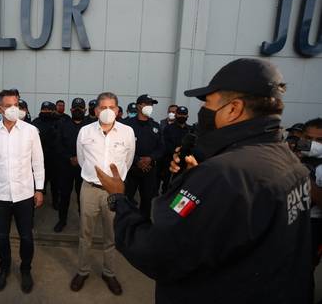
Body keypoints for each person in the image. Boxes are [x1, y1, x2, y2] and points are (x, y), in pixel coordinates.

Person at [95, 58, 312, 303]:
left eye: (209, 102)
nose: (204, 111)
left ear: (233, 109)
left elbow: (157, 252)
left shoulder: (224, 175)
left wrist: (119, 199)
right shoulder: (292, 164)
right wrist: (192, 178)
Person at [0, 89, 45, 293]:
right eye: (8, 106)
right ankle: (4, 268)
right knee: (1, 236)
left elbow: (38, 162)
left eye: (15, 104)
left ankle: (26, 269)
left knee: (26, 236)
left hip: (25, 193)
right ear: (0, 108)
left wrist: (39, 189)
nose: (13, 109)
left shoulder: (30, 131)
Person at [70, 92, 135, 296]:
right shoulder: (85, 132)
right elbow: (82, 159)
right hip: (89, 189)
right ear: (96, 110)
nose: (107, 112)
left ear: (117, 110)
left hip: (114, 191)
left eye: (111, 108)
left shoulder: (127, 132)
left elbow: (128, 161)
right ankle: (82, 271)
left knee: (111, 235)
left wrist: (115, 183)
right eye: (103, 108)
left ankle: (109, 272)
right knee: (85, 233)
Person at [124, 94, 164, 218]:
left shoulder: (155, 126)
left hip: (149, 170)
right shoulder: (127, 125)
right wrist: (137, 160)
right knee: (126, 199)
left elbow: (161, 148)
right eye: (147, 104)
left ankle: (143, 224)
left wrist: (150, 158)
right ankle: (125, 222)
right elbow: (122, 146)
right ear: (139, 106)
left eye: (151, 104)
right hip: (131, 169)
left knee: (147, 199)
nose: (150, 107)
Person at [54, 97, 88, 232]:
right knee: (64, 196)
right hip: (66, 166)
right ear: (71, 110)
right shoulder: (63, 125)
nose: (78, 110)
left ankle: (84, 223)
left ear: (85, 110)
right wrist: (70, 158)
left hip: (84, 167)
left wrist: (80, 158)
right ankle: (62, 221)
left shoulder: (90, 127)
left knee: (83, 197)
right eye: (75, 108)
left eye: (81, 108)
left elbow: (94, 147)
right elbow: (58, 145)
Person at [299, 119, 322, 271]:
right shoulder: (290, 157)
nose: (313, 144)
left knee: (304, 271)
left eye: (319, 140)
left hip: (313, 226)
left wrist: (299, 172)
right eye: (308, 138)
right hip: (287, 221)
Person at [32, 101, 61, 210]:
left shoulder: (59, 122)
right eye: (44, 110)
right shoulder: (36, 122)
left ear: (53, 111)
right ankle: (36, 198)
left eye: (49, 110)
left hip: (54, 159)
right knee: (38, 182)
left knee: (55, 183)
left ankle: (55, 202)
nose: (46, 112)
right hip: (39, 158)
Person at [159, 106, 192, 194]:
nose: (182, 116)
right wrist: (177, 151)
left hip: (185, 163)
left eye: (184, 115)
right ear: (176, 115)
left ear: (187, 116)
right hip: (170, 162)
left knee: (183, 188)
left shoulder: (191, 129)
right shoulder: (168, 128)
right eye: (180, 114)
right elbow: (167, 145)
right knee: (167, 187)